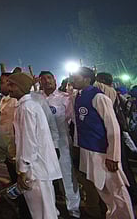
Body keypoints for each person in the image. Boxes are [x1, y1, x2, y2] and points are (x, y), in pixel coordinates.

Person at [70, 67, 134, 218]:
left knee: (117, 191)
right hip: (88, 151)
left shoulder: (99, 97)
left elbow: (113, 128)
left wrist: (113, 156)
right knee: (103, 190)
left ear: (87, 79)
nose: (73, 80)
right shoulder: (78, 96)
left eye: (76, 77)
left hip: (102, 152)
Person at [8, 72, 62, 219]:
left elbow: (29, 142)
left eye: (12, 84)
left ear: (20, 87)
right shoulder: (27, 106)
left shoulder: (26, 108)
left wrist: (23, 170)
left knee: (44, 213)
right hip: (38, 168)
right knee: (46, 210)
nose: (9, 88)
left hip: (36, 169)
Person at [39, 71, 81, 218]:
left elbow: (74, 121)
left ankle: (73, 210)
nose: (46, 81)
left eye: (49, 78)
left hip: (62, 143)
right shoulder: (37, 99)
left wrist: (75, 144)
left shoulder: (65, 98)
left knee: (67, 177)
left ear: (55, 80)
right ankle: (51, 211)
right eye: (43, 79)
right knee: (46, 179)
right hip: (43, 145)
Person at [0, 72, 32, 218]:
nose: (1, 85)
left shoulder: (21, 104)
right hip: (8, 150)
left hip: (18, 152)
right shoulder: (5, 100)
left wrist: (16, 153)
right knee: (15, 182)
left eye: (6, 82)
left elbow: (23, 134)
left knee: (24, 186)